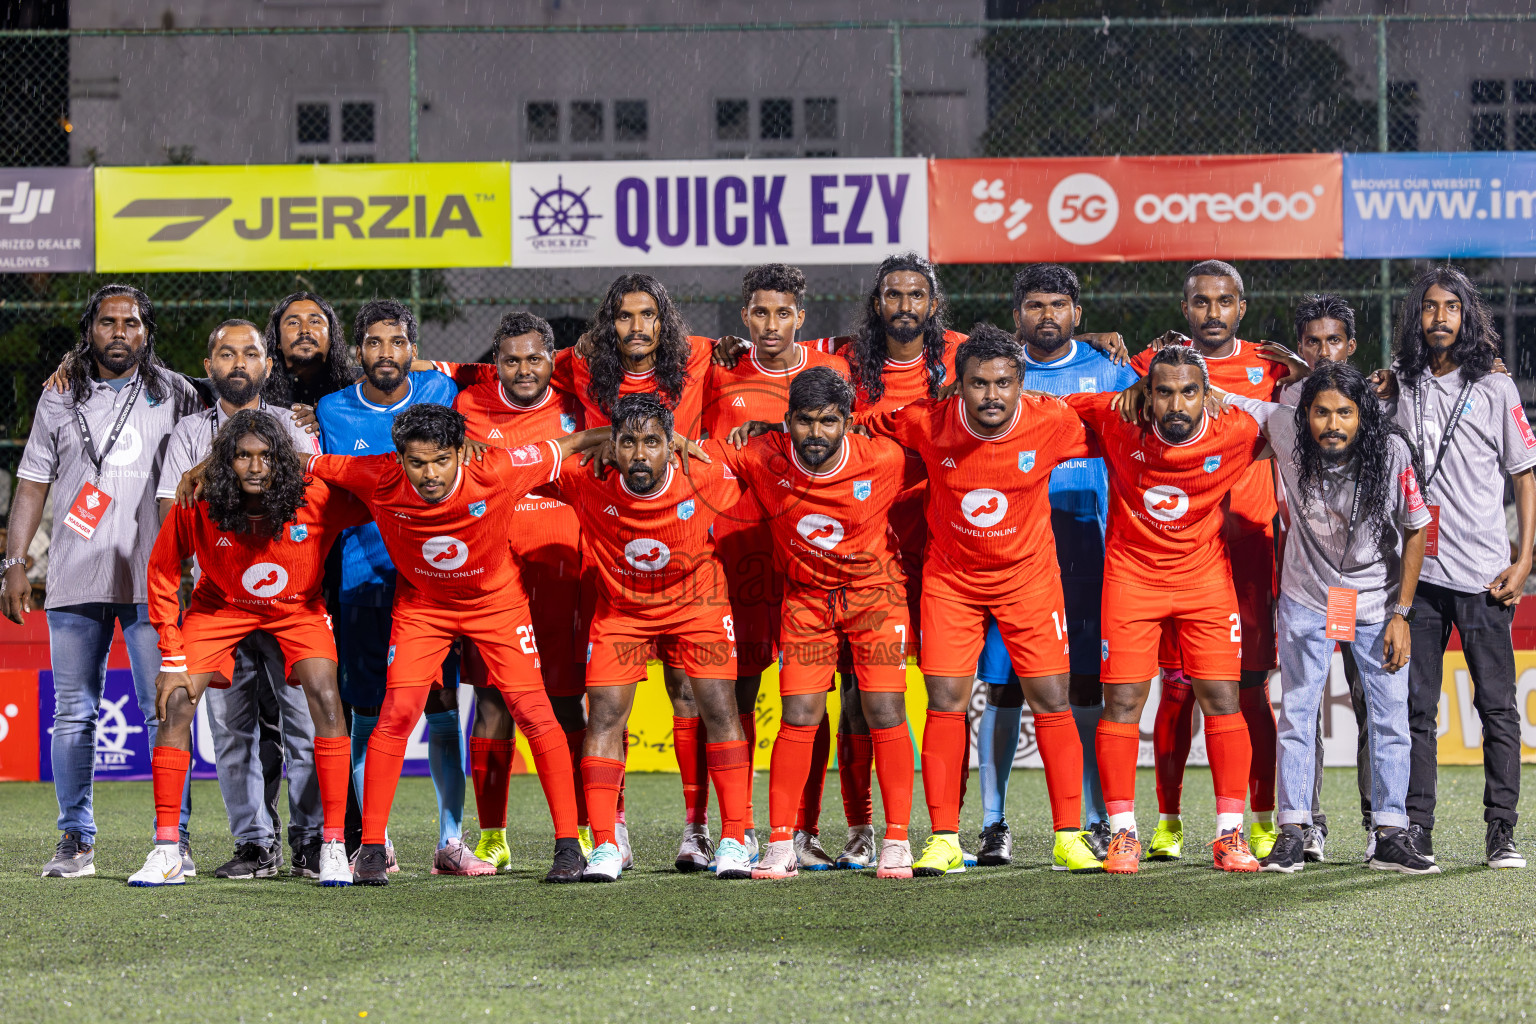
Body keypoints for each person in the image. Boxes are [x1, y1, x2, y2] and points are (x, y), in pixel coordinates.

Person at [305, 403, 602, 884]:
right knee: (398, 712)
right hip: (424, 607)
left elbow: (570, 443)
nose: (430, 475)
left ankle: (569, 846)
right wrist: (206, 466)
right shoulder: (374, 474)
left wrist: (629, 435)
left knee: (533, 712)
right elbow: (303, 462)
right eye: (417, 463)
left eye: (441, 460)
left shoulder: (501, 468)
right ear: (397, 458)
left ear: (462, 452)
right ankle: (373, 849)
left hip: (496, 605)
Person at [856, 324, 1102, 876]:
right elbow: (863, 428)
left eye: (1002, 383)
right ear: (957, 385)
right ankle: (944, 837)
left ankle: (1068, 836)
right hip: (953, 581)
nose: (991, 395)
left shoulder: (1052, 420)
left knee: (1051, 699)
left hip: (1029, 579)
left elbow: (1113, 423)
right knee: (945, 701)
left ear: (1021, 384)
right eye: (978, 383)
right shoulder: (925, 420)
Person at [4, 284, 203, 880]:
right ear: (90, 329)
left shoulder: (179, 394)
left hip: (156, 577)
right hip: (74, 572)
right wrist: (14, 562)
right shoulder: (59, 397)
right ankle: (75, 840)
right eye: (109, 322)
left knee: (163, 709)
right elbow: (32, 484)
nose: (121, 331)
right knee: (74, 713)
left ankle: (175, 839)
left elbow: (230, 429)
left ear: (147, 332)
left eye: (133, 322)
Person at [1217, 364, 1437, 874]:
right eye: (1321, 412)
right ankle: (1292, 830)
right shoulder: (1285, 431)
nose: (1332, 423)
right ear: (1305, 414)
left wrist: (1402, 613)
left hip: (1374, 604)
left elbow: (1417, 530)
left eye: (1344, 412)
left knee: (1389, 719)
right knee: (1298, 712)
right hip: (1308, 598)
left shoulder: (1393, 453)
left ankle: (1389, 831)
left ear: (1363, 416)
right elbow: (1219, 399)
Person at [136, 411, 364, 886]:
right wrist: (171, 651)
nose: (256, 466)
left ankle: (334, 846)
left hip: (298, 609)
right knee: (176, 702)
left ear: (284, 461)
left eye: (267, 456)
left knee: (325, 699)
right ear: (226, 462)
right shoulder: (198, 500)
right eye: (242, 456)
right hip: (220, 607)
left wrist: (313, 463)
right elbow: (161, 569)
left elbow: (380, 483)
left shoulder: (316, 496)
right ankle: (166, 849)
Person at [1065, 346, 1270, 874]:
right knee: (1123, 702)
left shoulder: (1237, 430)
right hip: (1132, 579)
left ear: (1208, 394)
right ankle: (1123, 834)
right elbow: (1048, 402)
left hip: (1205, 580)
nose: (1176, 404)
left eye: (1188, 392)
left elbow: (1297, 419)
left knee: (1223, 698)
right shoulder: (1118, 419)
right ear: (1146, 395)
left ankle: (1229, 835)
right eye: (1163, 392)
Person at [534, 393, 751, 882]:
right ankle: (607, 845)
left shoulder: (706, 471)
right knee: (605, 716)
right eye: (627, 442)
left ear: (671, 447)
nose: (638, 454)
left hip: (698, 605)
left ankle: (735, 838)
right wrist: (592, 439)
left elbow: (774, 450)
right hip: (623, 612)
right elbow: (528, 458)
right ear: (612, 446)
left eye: (652, 442)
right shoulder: (586, 478)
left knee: (719, 709)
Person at [1130, 260, 1305, 862]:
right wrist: (1103, 346)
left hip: (1250, 545)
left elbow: (1322, 408)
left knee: (1249, 691)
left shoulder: (1272, 366)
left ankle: (1258, 821)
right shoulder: (1157, 367)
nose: (1212, 313)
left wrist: (1313, 373)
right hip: (1177, 547)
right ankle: (1170, 823)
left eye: (1223, 302)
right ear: (1186, 309)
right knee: (1176, 690)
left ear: (1242, 308)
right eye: (1200, 302)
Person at [722, 366, 925, 880]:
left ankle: (897, 840)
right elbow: (692, 454)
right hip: (807, 602)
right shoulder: (761, 456)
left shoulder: (884, 459)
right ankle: (780, 843)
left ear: (848, 422)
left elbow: (951, 461)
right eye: (805, 421)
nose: (817, 433)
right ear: (786, 421)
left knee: (883, 709)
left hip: (874, 598)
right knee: (799, 714)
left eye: (829, 422)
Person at [972, 263, 1140, 867]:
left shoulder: (1115, 372)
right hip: (1006, 551)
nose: (1047, 315)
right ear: (1017, 314)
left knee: (1084, 685)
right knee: (1004, 687)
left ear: (1077, 312)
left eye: (1059, 304)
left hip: (1085, 550)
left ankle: (1093, 820)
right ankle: (994, 824)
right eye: (1035, 305)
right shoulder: (991, 375)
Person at [313, 300, 487, 875]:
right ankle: (376, 842)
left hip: (434, 584)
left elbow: (503, 372)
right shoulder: (330, 410)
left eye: (396, 342)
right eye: (373, 343)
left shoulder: (441, 390)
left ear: (413, 347)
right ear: (357, 348)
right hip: (362, 579)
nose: (385, 354)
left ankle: (450, 840)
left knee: (440, 706)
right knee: (366, 711)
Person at [156, 320, 325, 881]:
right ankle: (254, 843)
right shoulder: (185, 430)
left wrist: (214, 464)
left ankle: (308, 841)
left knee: (302, 723)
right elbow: (174, 514)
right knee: (233, 731)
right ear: (208, 366)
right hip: (221, 594)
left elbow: (305, 484)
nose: (237, 363)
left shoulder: (292, 426)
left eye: (249, 353)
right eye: (225, 353)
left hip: (288, 596)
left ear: (267, 366)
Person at [1386, 266, 1535, 870]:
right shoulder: (1399, 384)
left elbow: (1524, 475)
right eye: (1429, 307)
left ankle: (1502, 830)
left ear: (1467, 316)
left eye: (1451, 307)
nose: (1439, 317)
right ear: (1416, 317)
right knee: (1415, 707)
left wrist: (1524, 560)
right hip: (1418, 574)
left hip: (1483, 573)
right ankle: (1416, 828)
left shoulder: (1497, 389)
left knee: (1496, 707)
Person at [701, 263, 843, 870]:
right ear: (744, 317)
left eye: (783, 313)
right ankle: (736, 828)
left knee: (811, 701)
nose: (771, 324)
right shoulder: (720, 374)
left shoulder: (830, 371)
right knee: (739, 694)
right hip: (747, 554)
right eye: (760, 312)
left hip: (816, 557)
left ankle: (805, 831)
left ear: (801, 318)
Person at [452, 311, 589, 869]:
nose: (524, 369)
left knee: (564, 700)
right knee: (491, 701)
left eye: (535, 358)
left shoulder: (574, 402)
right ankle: (491, 835)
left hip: (563, 571)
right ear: (496, 361)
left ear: (551, 358)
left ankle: (581, 827)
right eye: (511, 359)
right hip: (493, 577)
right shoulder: (469, 406)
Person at [262, 291, 360, 408]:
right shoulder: (258, 388)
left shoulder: (359, 384)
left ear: (331, 337)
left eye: (314, 321)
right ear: (278, 340)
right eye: (293, 322)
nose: (304, 330)